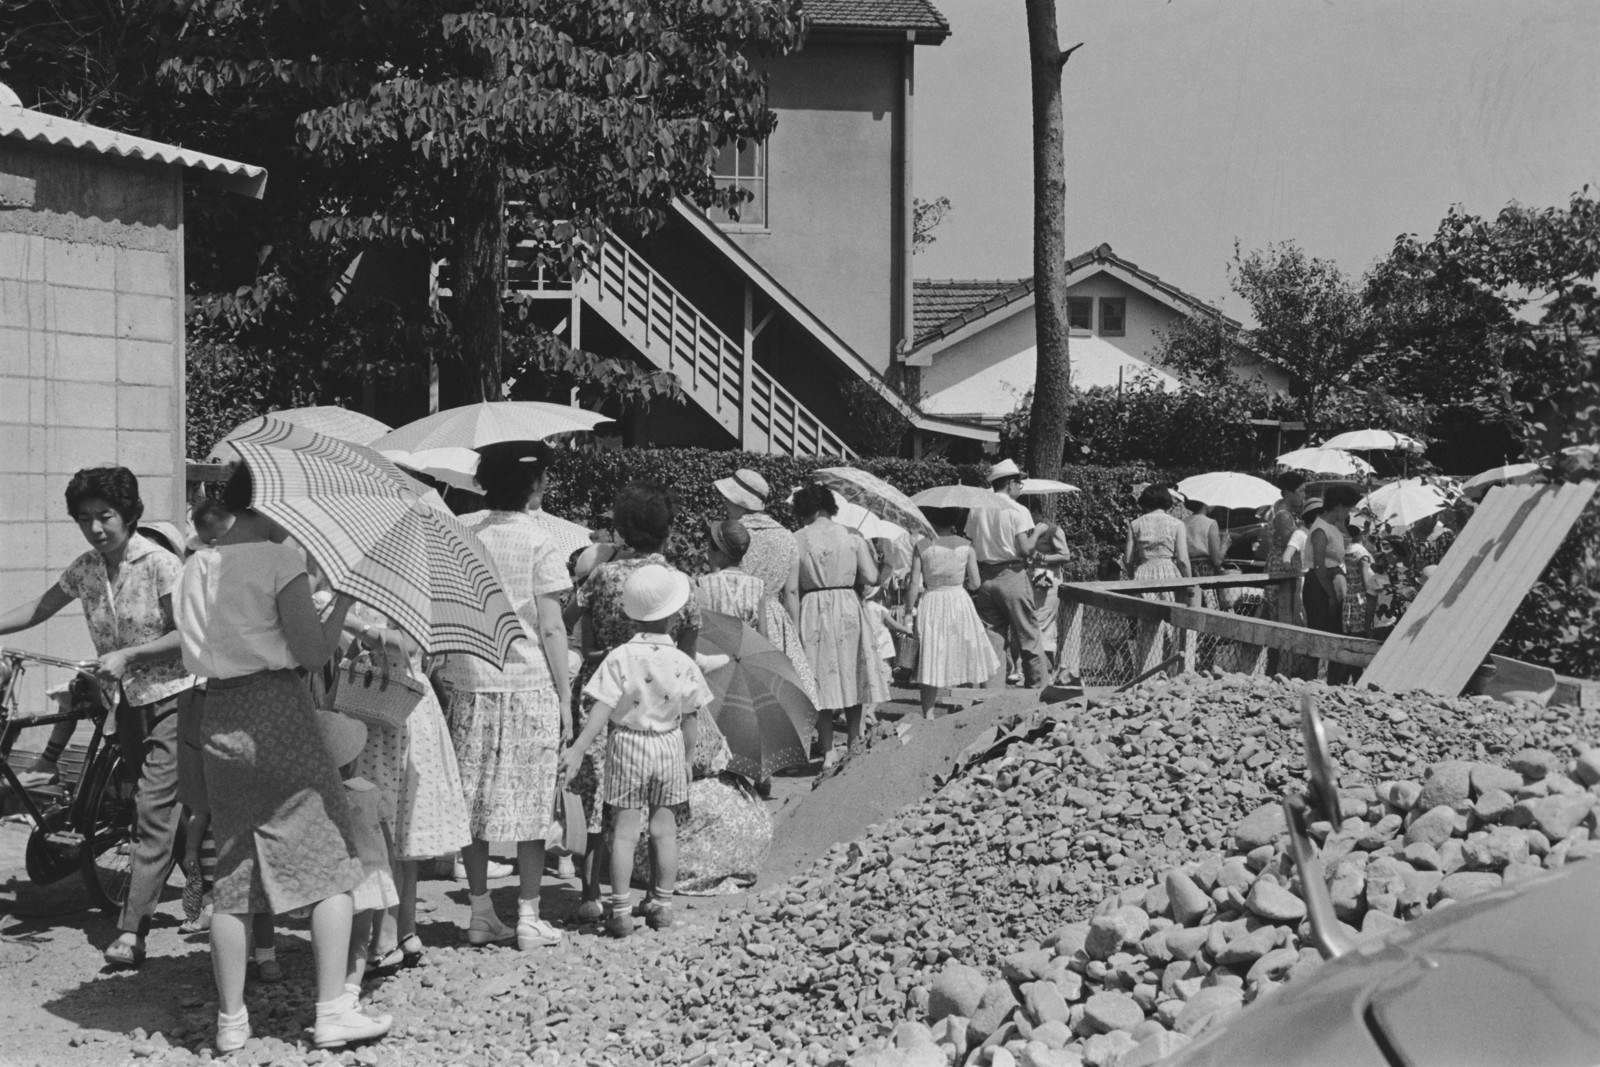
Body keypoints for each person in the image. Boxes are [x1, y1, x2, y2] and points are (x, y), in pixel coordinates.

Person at [173, 463, 390, 1052]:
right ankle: (332, 1011)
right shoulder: (277, 561)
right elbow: (313, 650)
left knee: (235, 869)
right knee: (330, 859)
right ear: (273, 505)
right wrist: (343, 599)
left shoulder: (194, 566)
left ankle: (231, 1023)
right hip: (277, 710)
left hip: (218, 715)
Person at [0, 467, 194, 971]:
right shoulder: (86, 568)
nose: (95, 528)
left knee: (153, 809)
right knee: (143, 806)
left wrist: (131, 656)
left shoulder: (161, 564)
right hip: (125, 703)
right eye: (84, 519)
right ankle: (194, 866)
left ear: (129, 514)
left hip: (174, 696)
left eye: (104, 516)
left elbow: (189, 636)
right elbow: (42, 607)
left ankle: (132, 932)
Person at [440, 441, 571, 951]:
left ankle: (479, 912)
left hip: (470, 678)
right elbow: (553, 626)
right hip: (528, 680)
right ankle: (529, 914)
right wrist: (565, 695)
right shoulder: (541, 540)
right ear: (535, 484)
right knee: (531, 799)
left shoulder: (461, 532)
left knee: (472, 799)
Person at [566, 482, 700, 920]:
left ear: (621, 530)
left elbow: (569, 621)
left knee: (599, 800)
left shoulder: (603, 577)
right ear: (667, 531)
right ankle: (658, 897)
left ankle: (592, 894)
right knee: (660, 811)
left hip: (602, 693)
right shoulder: (679, 584)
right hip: (661, 701)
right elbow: (689, 653)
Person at [338, 601, 471, 970]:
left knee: (386, 830)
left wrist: (347, 620)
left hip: (398, 712)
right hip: (388, 705)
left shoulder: (412, 590)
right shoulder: (400, 588)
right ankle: (405, 932)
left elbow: (407, 645)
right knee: (398, 833)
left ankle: (387, 938)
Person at [791, 484, 889, 767]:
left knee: (819, 679)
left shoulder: (797, 538)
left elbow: (793, 588)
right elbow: (871, 577)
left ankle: (828, 751)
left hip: (813, 607)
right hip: (847, 605)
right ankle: (854, 743)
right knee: (852, 673)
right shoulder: (853, 535)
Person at [695, 519, 818, 704]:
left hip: (713, 661)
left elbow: (699, 630)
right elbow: (763, 637)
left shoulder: (703, 584)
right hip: (744, 664)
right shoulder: (757, 586)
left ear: (719, 552)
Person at [907, 507, 1000, 720]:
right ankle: (964, 711)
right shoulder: (966, 546)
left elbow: (914, 583)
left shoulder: (922, 546)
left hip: (932, 601)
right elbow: (976, 583)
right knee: (964, 651)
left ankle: (928, 715)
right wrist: (960, 582)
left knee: (931, 655)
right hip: (959, 600)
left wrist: (907, 611)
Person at [964, 460, 1048, 688]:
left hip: (986, 577)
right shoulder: (1018, 510)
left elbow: (971, 541)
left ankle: (991, 698)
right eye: (1019, 484)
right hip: (1013, 574)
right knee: (1028, 636)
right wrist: (1038, 531)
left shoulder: (977, 508)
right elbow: (1025, 549)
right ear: (1010, 483)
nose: (1020, 488)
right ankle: (1038, 691)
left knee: (993, 640)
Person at [714, 468, 801, 626]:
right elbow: (791, 592)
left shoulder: (730, 535)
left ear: (739, 502)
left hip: (738, 616)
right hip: (775, 620)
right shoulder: (787, 537)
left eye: (727, 498)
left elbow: (718, 583)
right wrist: (795, 634)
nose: (725, 503)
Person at [1305, 483, 1361, 684]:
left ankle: (1334, 681)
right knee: (1319, 633)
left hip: (1334, 581)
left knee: (1338, 632)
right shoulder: (1320, 529)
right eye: (1346, 508)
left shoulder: (1334, 528)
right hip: (1320, 584)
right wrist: (1330, 593)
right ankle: (1312, 680)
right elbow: (1319, 565)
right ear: (1338, 506)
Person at [1258, 471, 1308, 674]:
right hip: (1282, 570)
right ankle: (1277, 671)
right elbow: (1292, 542)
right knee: (1281, 618)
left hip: (1281, 567)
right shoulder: (1283, 516)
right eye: (1300, 491)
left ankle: (1278, 669)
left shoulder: (1282, 513)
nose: (1303, 496)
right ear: (1288, 492)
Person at [1181, 498, 1225, 608]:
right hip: (1205, 573)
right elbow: (1217, 560)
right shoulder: (1211, 524)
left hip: (1186, 571)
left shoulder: (1182, 523)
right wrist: (1225, 544)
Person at [1343, 522, 1378, 639]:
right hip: (1360, 597)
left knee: (1352, 634)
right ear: (1362, 534)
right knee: (1363, 634)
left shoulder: (1348, 550)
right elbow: (1365, 580)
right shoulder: (1361, 553)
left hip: (1350, 594)